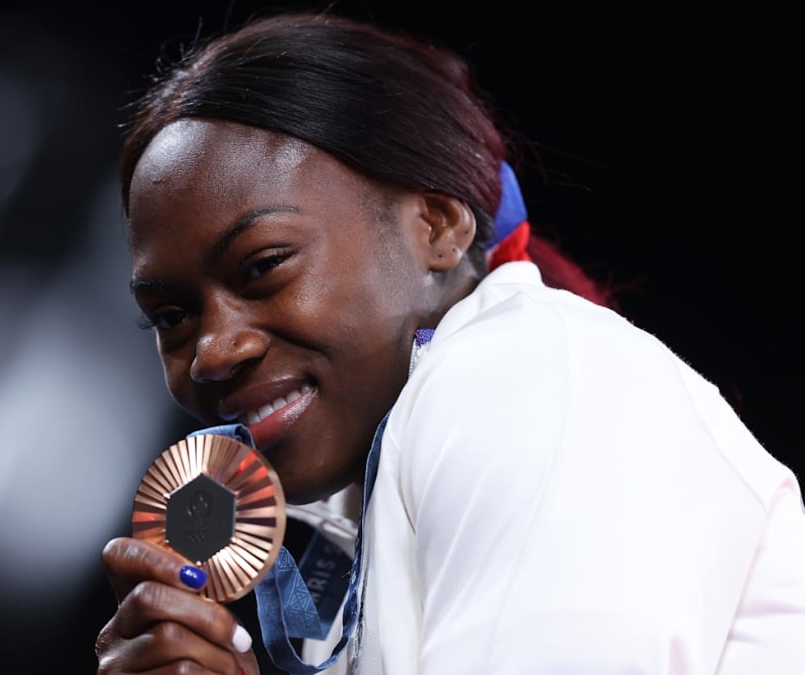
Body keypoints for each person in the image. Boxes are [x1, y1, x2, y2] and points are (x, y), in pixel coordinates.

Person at [95, 11, 805, 675]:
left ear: (437, 224)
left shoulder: (514, 379)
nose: (213, 350)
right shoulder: (376, 510)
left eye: (261, 266)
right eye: (172, 316)